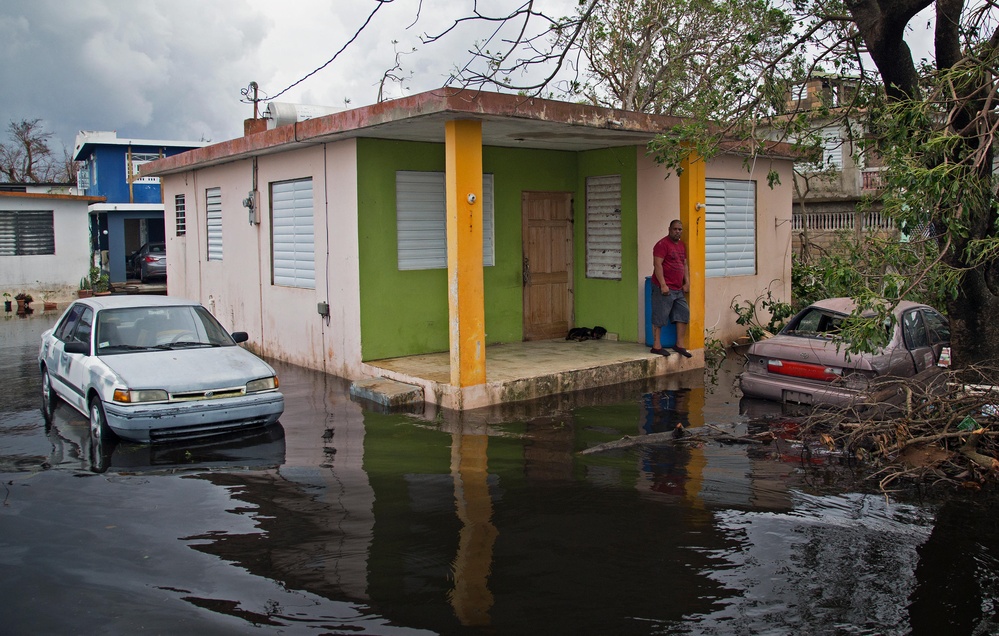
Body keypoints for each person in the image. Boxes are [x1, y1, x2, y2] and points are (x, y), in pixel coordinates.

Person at [650, 219, 692, 357]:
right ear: (669, 229)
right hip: (664, 287)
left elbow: (684, 264)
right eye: (675, 229)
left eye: (680, 229)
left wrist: (687, 282)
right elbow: (657, 264)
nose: (677, 232)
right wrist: (663, 284)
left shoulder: (681, 245)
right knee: (660, 316)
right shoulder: (662, 244)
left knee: (683, 313)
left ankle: (679, 344)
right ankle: (656, 346)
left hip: (678, 288)